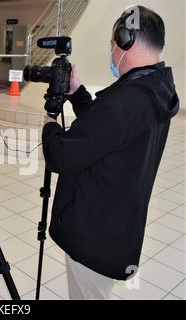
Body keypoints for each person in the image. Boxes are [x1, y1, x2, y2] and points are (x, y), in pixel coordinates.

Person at [42, 5, 178, 299]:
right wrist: (77, 94)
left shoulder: (124, 101)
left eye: (113, 43)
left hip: (94, 235)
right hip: (116, 226)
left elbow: (62, 156)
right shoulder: (156, 89)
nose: (112, 50)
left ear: (125, 40)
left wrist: (49, 124)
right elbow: (107, 131)